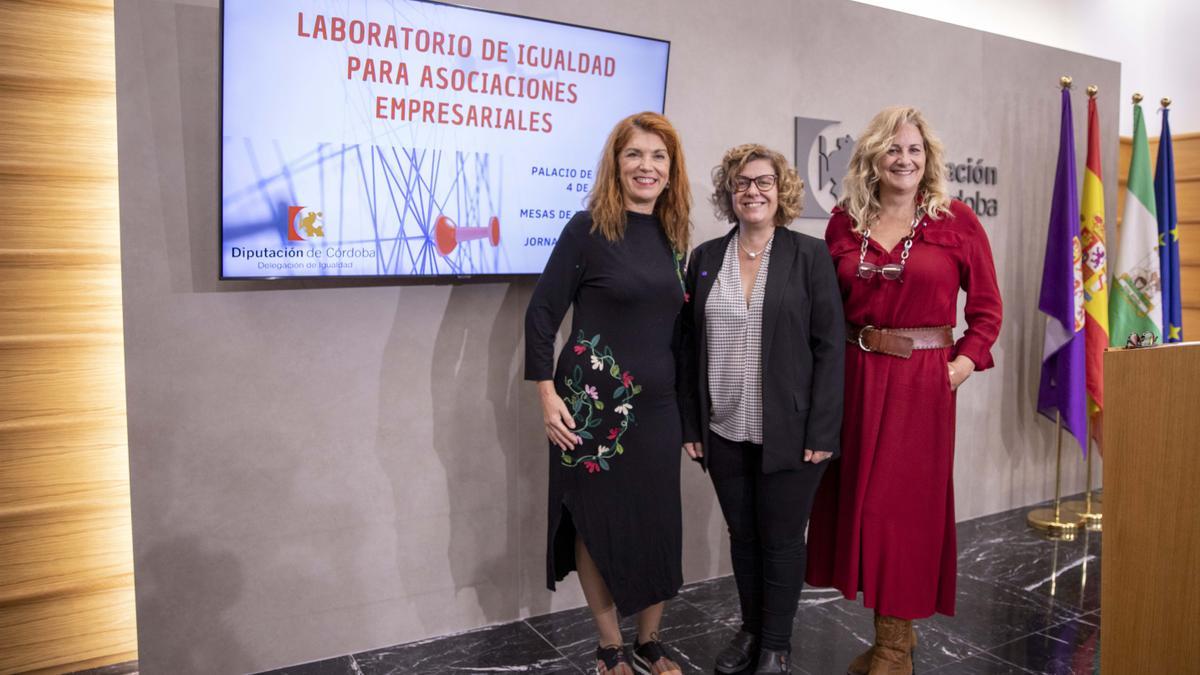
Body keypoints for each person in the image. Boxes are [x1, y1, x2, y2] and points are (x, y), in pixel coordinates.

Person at [804, 107, 1003, 675]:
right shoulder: (844, 223)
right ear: (873, 157)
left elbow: (988, 310)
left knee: (906, 511)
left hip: (922, 383)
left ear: (929, 159)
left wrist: (961, 366)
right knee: (863, 507)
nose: (905, 159)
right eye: (894, 149)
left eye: (915, 150)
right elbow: (824, 309)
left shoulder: (956, 220)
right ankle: (894, 635)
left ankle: (894, 650)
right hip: (855, 376)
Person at [525, 111, 691, 675]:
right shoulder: (586, 228)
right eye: (634, 155)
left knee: (658, 523)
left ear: (671, 171)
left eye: (658, 157)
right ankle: (608, 648)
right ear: (616, 165)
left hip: (660, 410)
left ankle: (649, 641)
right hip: (592, 413)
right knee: (598, 526)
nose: (646, 166)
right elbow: (542, 315)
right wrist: (546, 394)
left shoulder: (673, 236)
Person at [678, 144, 845, 674]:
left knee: (780, 538)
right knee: (744, 538)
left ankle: (776, 645)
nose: (753, 191)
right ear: (731, 194)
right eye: (743, 183)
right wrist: (692, 424)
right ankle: (751, 632)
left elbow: (830, 346)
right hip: (724, 427)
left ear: (781, 191)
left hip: (792, 433)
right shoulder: (705, 259)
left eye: (764, 182)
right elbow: (686, 347)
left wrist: (822, 428)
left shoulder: (809, 255)